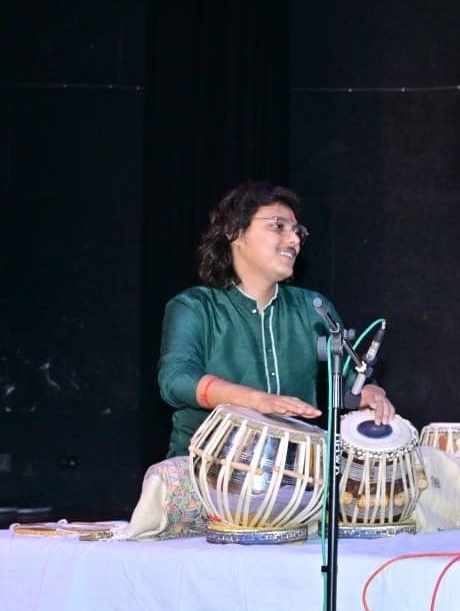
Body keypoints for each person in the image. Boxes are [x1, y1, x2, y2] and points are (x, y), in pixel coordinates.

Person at [157, 181, 394, 458]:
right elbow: (176, 380)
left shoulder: (313, 309)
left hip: (294, 470)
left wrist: (370, 394)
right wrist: (255, 401)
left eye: (297, 232)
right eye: (278, 226)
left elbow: (352, 381)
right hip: (205, 466)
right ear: (235, 232)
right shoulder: (195, 307)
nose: (294, 240)